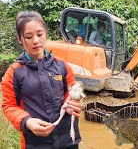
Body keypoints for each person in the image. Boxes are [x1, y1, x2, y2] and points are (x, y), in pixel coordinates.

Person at [1, 11, 82, 148]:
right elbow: (9, 105)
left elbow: (72, 90)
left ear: (45, 33)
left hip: (67, 138)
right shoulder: (14, 72)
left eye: (39, 34)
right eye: (28, 36)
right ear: (20, 39)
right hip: (35, 142)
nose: (36, 41)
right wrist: (27, 122)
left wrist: (72, 102)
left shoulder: (62, 66)